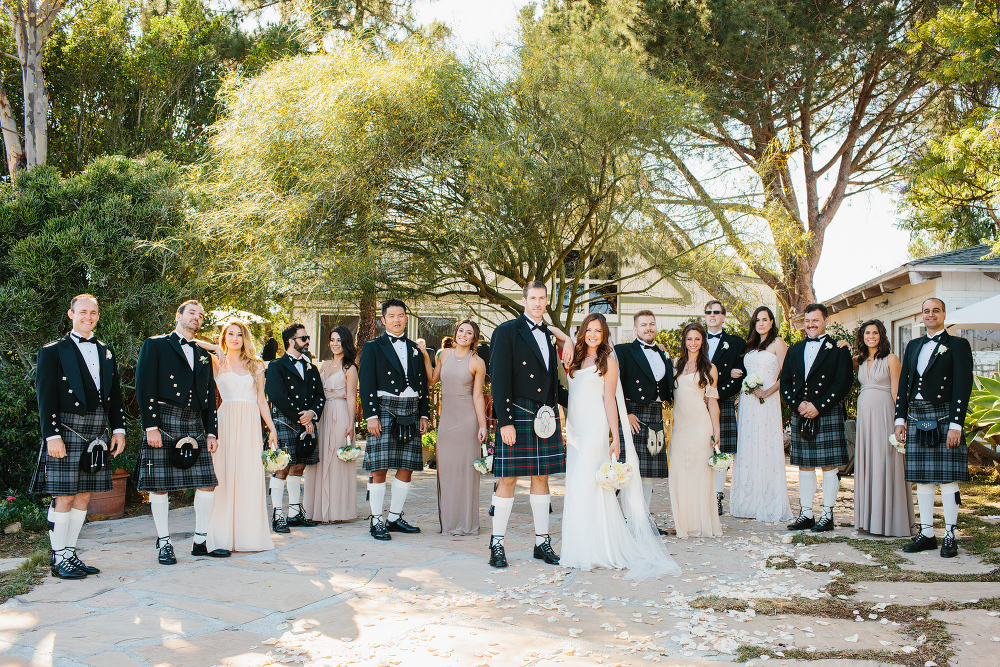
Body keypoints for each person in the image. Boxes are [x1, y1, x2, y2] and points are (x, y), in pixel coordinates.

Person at [561, 313, 681, 578]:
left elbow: (609, 402)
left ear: (604, 335)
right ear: (582, 332)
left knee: (591, 484)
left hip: (595, 426)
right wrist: (566, 340)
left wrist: (615, 437)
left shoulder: (608, 362)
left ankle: (599, 548)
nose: (593, 335)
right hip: (575, 428)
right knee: (576, 485)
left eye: (598, 331)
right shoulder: (576, 357)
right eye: (588, 330)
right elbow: (551, 331)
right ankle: (578, 547)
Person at [33, 294, 126, 578]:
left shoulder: (106, 351)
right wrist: (52, 436)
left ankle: (71, 553)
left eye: (94, 312)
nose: (89, 316)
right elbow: (45, 397)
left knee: (84, 494)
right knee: (64, 495)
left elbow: (115, 394)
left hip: (97, 430)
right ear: (71, 314)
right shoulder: (52, 351)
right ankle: (58, 556)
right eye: (83, 311)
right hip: (67, 428)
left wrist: (119, 429)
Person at [136, 300, 226, 564]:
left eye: (200, 315)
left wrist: (211, 432)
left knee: (207, 482)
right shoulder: (156, 344)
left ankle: (200, 542)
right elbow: (144, 386)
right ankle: (164, 543)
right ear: (178, 316)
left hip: (192, 422)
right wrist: (150, 426)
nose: (197, 318)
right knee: (160, 485)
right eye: (192, 313)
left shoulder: (201, 354)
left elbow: (210, 395)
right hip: (164, 420)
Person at [487, 281, 569, 568]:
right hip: (518, 413)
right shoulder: (507, 331)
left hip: (544, 416)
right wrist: (504, 422)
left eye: (542, 298)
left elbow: (553, 379)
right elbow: (498, 379)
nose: (537, 303)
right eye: (533, 298)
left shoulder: (548, 334)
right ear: (524, 300)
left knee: (541, 477)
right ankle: (497, 544)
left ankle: (541, 542)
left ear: (547, 301)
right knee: (508, 479)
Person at [894, 298, 974, 558]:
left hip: (943, 416)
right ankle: (927, 533)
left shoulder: (958, 345)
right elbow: (905, 383)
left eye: (935, 311)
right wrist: (900, 419)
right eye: (926, 311)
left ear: (943, 314)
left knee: (948, 479)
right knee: (922, 479)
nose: (931, 315)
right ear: (922, 316)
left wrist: (956, 424)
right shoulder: (914, 345)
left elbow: (963, 385)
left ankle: (950, 534)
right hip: (917, 416)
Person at [195, 319, 278, 552]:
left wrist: (271, 428)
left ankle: (248, 536)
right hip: (226, 421)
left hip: (251, 421)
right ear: (223, 337)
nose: (234, 338)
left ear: (245, 339)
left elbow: (262, 399)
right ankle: (221, 537)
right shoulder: (215, 361)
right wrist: (215, 348)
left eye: (239, 334)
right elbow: (190, 342)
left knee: (248, 475)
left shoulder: (257, 365)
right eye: (229, 334)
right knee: (224, 474)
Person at [358, 299, 430, 540]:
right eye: (392, 316)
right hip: (385, 410)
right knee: (379, 468)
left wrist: (423, 413)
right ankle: (376, 520)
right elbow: (366, 383)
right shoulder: (372, 347)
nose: (397, 319)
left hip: (410, 410)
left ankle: (394, 517)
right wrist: (371, 416)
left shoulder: (414, 349)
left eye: (401, 315)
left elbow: (422, 385)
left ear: (406, 318)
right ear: (383, 320)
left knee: (406, 467)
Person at [780, 303, 853, 533]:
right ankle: (806, 514)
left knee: (829, 466)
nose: (811, 325)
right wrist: (798, 404)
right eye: (808, 321)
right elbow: (786, 384)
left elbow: (843, 384)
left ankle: (828, 514)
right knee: (805, 466)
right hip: (802, 413)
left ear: (826, 321)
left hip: (826, 412)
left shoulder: (839, 350)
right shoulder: (794, 350)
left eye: (816, 321)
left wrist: (818, 406)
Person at [419, 320, 488, 535]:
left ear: (474, 338)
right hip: (447, 421)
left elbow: (478, 396)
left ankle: (467, 524)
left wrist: (483, 425)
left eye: (469, 333)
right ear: (455, 333)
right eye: (461, 331)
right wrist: (423, 355)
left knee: (466, 472)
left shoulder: (477, 362)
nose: (464, 335)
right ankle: (449, 523)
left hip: (467, 421)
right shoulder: (444, 354)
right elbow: (431, 379)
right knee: (446, 470)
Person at [844, 319, 912, 537]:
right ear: (862, 336)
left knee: (885, 461)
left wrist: (901, 421)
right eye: (867, 333)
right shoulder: (860, 360)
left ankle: (891, 521)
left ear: (881, 335)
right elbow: (840, 362)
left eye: (875, 333)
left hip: (884, 415)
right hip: (865, 418)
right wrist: (842, 346)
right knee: (868, 463)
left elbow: (897, 392)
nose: (871, 336)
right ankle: (869, 521)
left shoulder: (891, 359)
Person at [728, 306, 793, 523]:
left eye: (765, 319)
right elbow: (745, 372)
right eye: (758, 320)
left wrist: (766, 391)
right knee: (748, 447)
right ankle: (748, 503)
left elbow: (788, 375)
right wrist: (735, 373)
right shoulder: (750, 346)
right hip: (747, 402)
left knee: (765, 446)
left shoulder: (778, 343)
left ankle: (769, 502)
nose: (761, 323)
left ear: (772, 321)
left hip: (767, 400)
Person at [265, 323, 326, 533]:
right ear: (291, 341)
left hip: (306, 422)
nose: (307, 341)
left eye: (307, 337)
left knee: (299, 467)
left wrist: (312, 413)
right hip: (286, 421)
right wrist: (302, 417)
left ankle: (293, 513)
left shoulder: (312, 368)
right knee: (281, 469)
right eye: (303, 338)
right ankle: (277, 515)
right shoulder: (276, 366)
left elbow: (320, 395)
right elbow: (277, 396)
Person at [613, 310, 673, 520]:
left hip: (655, 415)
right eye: (644, 325)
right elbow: (614, 386)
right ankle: (629, 518)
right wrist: (626, 413)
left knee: (649, 473)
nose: (649, 328)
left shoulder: (663, 353)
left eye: (652, 324)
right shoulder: (623, 351)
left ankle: (643, 518)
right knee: (630, 470)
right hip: (634, 414)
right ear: (635, 329)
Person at [668, 323, 723, 538]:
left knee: (701, 473)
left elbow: (712, 402)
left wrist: (716, 431)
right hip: (680, 427)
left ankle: (701, 523)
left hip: (701, 425)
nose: (693, 343)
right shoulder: (674, 365)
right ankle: (683, 522)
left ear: (703, 342)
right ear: (684, 341)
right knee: (680, 472)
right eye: (689, 339)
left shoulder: (710, 368)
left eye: (697, 339)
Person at [304, 326, 360, 523]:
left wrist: (351, 423)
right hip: (322, 414)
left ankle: (336, 510)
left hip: (339, 413)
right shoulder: (324, 365)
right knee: (319, 458)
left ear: (346, 343)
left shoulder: (349, 367)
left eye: (339, 340)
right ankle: (316, 509)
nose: (335, 344)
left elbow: (352, 397)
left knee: (336, 461)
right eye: (332, 340)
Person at [704, 301, 746, 516]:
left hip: (723, 400)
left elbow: (740, 375)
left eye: (716, 312)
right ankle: (702, 496)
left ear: (723, 317)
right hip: (698, 402)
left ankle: (718, 497)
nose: (712, 315)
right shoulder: (695, 339)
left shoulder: (736, 343)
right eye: (709, 312)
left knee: (721, 450)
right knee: (701, 449)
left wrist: (718, 393)